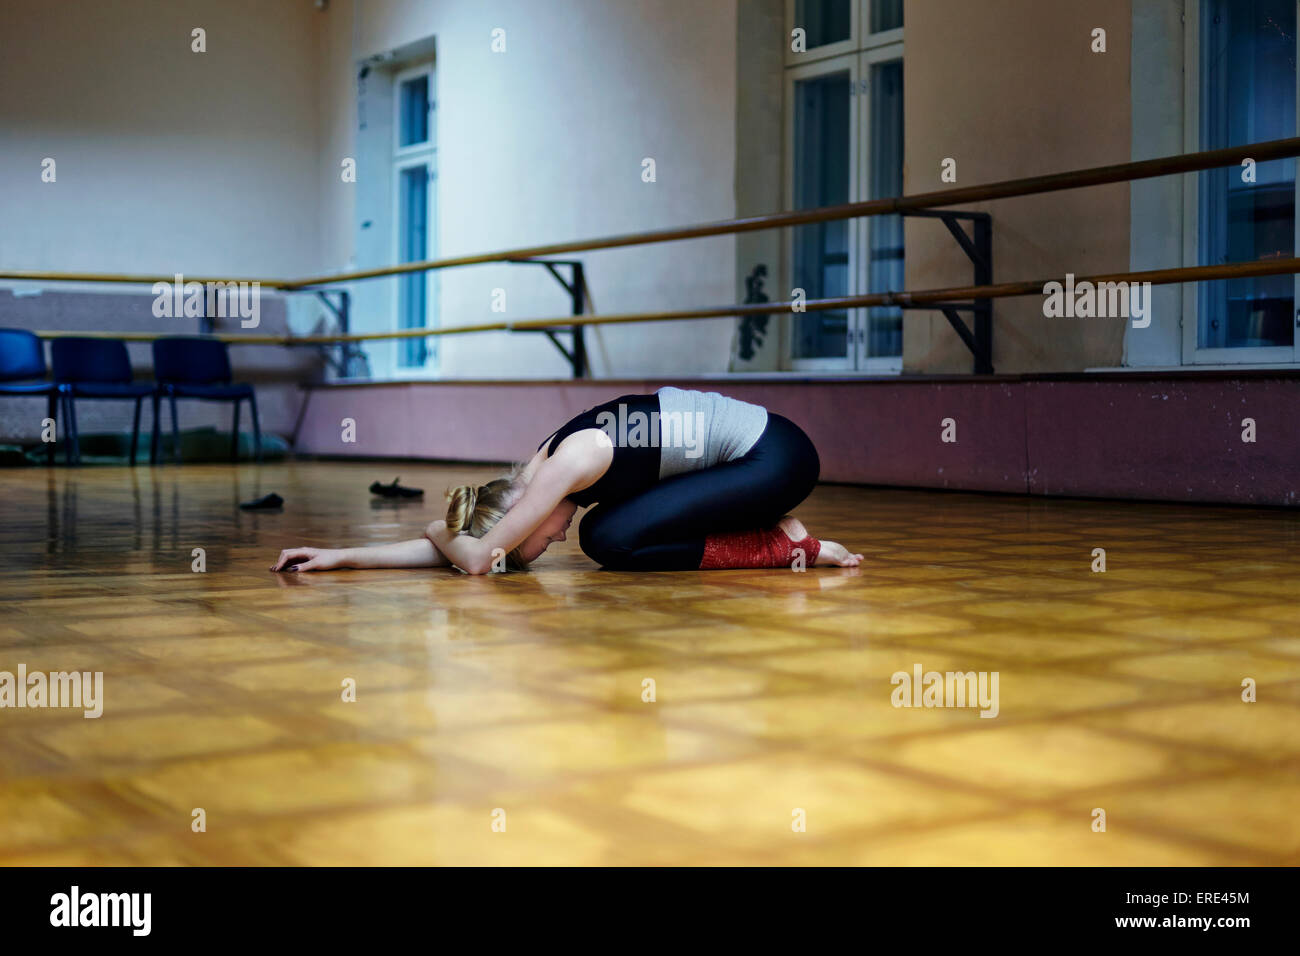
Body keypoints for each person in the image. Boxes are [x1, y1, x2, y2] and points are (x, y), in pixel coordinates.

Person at [270, 387, 862, 575]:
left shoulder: (564, 466)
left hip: (775, 457)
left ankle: (784, 544)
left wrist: (436, 523)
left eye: (531, 542)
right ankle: (774, 531)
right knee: (606, 537)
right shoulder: (538, 473)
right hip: (747, 463)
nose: (543, 543)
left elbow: (475, 559)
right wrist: (341, 556)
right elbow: (475, 541)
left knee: (608, 540)